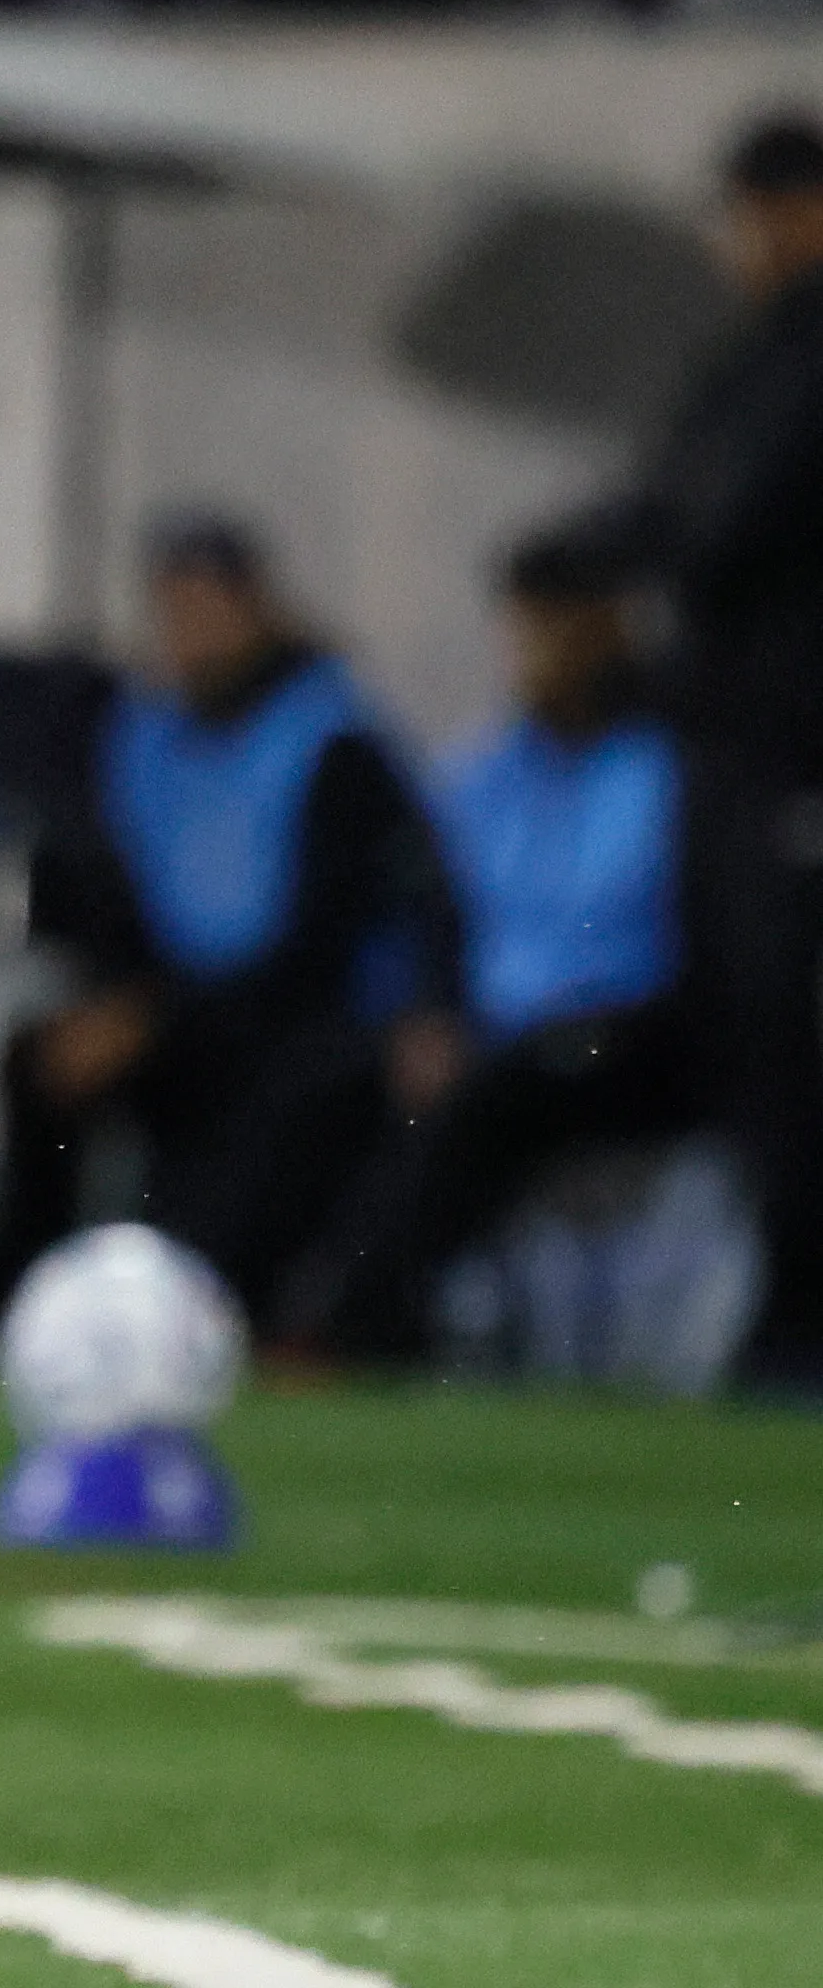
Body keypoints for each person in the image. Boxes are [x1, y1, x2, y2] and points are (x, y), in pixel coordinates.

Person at [4, 513, 463, 1311]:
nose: (190, 637)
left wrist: (153, 1016)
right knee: (33, 1062)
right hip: (183, 1018)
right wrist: (111, 1008)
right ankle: (35, 1302)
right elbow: (115, 909)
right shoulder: (140, 739)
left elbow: (322, 945)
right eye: (173, 614)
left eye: (207, 611)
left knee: (253, 1121)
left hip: (297, 1021)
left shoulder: (331, 740)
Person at [280, 517, 697, 1361]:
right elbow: (435, 921)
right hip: (495, 1036)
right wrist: (425, 1016)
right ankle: (261, 1294)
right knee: (324, 1079)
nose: (533, 651)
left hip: (628, 1041)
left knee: (488, 1097)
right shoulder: (489, 774)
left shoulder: (677, 767)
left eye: (555, 627)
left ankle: (347, 1330)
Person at [617, 113, 823, 1384]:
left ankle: (802, 1314)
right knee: (745, 1031)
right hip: (739, 752)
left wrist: (633, 547)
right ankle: (785, 1305)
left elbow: (716, 522)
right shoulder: (756, 354)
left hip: (796, 758)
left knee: (782, 1024)